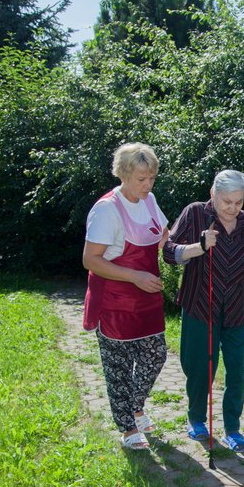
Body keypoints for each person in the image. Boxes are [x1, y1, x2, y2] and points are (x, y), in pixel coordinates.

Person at [162, 170, 244, 452]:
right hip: (201, 303)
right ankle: (196, 418)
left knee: (236, 369)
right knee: (201, 365)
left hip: (237, 307)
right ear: (213, 194)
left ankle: (233, 428)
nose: (232, 208)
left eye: (238, 202)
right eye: (226, 201)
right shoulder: (194, 214)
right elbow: (169, 252)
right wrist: (199, 246)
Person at [82, 142, 170, 450]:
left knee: (155, 354)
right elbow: (91, 260)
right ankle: (127, 426)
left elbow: (161, 235)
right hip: (115, 301)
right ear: (124, 174)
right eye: (141, 178)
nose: (148, 185)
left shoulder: (149, 199)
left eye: (151, 178)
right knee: (118, 367)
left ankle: (134, 407)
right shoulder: (107, 209)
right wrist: (135, 275)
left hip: (147, 298)